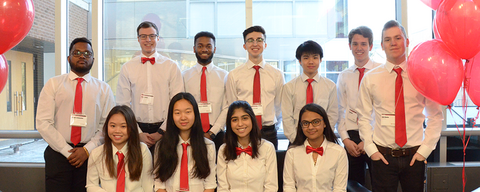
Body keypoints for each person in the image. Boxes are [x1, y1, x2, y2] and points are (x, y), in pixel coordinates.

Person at [356, 20, 443, 192]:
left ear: (407, 41)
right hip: (383, 158)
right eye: (388, 39)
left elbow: (435, 116)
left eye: (398, 38)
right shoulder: (371, 79)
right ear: (382, 45)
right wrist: (371, 150)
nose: (393, 43)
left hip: (414, 157)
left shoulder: (423, 75)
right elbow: (363, 117)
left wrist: (424, 151)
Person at [36, 37, 115, 192]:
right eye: (77, 52)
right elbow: (43, 122)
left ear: (93, 58)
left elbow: (107, 125)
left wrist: (87, 150)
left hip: (91, 156)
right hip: (58, 154)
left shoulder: (104, 89)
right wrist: (66, 151)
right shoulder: (54, 84)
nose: (82, 56)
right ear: (69, 58)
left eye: (87, 53)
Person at [116, 21, 184, 154]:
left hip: (166, 129)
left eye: (152, 36)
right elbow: (123, 104)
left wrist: (161, 132)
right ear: (138, 39)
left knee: (165, 172)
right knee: (139, 172)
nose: (148, 40)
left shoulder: (171, 66)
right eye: (143, 36)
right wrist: (138, 133)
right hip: (136, 129)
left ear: (158, 38)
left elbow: (177, 103)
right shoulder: (127, 68)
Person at [225, 25, 284, 149]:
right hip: (243, 131)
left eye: (259, 40)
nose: (255, 43)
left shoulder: (277, 74)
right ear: (244, 46)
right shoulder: (234, 75)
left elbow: (279, 105)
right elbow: (232, 104)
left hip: (268, 132)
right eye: (250, 40)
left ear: (265, 44)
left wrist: (272, 124)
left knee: (270, 167)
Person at [336, 26, 381, 186]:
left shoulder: (380, 71)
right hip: (352, 138)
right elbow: (340, 110)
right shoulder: (344, 75)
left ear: (370, 46)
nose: (359, 48)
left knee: (380, 183)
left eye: (363, 44)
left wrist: (368, 140)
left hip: (376, 136)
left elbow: (383, 110)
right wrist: (345, 139)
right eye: (355, 44)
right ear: (350, 46)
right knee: (354, 185)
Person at [153, 92, 216, 192]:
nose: (183, 117)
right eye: (177, 113)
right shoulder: (161, 146)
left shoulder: (208, 146)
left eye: (188, 112)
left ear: (195, 113)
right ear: (171, 116)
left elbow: (210, 184)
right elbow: (159, 184)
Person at [86, 105, 153, 191]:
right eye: (113, 126)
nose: (117, 131)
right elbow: (91, 186)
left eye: (123, 126)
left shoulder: (142, 150)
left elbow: (148, 186)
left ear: (131, 128)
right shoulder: (96, 153)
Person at [282, 40, 338, 143]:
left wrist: (323, 139)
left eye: (315, 57)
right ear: (299, 60)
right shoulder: (289, 87)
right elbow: (287, 117)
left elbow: (332, 115)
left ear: (320, 60)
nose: (311, 62)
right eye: (306, 58)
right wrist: (296, 140)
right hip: (297, 139)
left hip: (323, 140)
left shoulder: (330, 86)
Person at [283, 104, 348, 192]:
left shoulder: (339, 152)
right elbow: (288, 187)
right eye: (306, 123)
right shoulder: (292, 153)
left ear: (325, 123)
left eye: (316, 122)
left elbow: (339, 189)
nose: (310, 127)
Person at [217, 100, 278, 192]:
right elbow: (223, 188)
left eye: (244, 118)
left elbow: (271, 187)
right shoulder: (223, 150)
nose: (240, 124)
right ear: (229, 124)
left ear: (252, 120)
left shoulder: (267, 148)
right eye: (235, 120)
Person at [182, 31, 228, 153]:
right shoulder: (184, 76)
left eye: (208, 46)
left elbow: (227, 106)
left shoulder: (225, 76)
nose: (204, 49)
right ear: (194, 49)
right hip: (192, 132)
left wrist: (212, 132)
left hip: (218, 134)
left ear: (214, 49)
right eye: (200, 46)